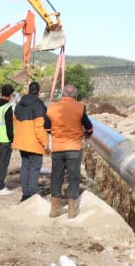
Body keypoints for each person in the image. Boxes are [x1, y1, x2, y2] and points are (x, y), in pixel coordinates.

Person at [44, 84, 94, 218]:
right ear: (75, 96)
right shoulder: (80, 107)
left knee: (56, 177)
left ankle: (55, 209)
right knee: (73, 178)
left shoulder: (52, 108)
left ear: (62, 95)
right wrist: (86, 134)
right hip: (74, 148)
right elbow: (89, 127)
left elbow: (47, 128)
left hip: (58, 148)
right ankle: (72, 211)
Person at [12, 81, 48, 202]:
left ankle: (25, 194)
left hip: (22, 141)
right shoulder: (38, 105)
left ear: (28, 90)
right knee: (35, 168)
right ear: (38, 91)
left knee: (25, 166)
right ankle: (32, 194)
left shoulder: (19, 104)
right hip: (34, 143)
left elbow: (15, 120)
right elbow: (39, 127)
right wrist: (45, 143)